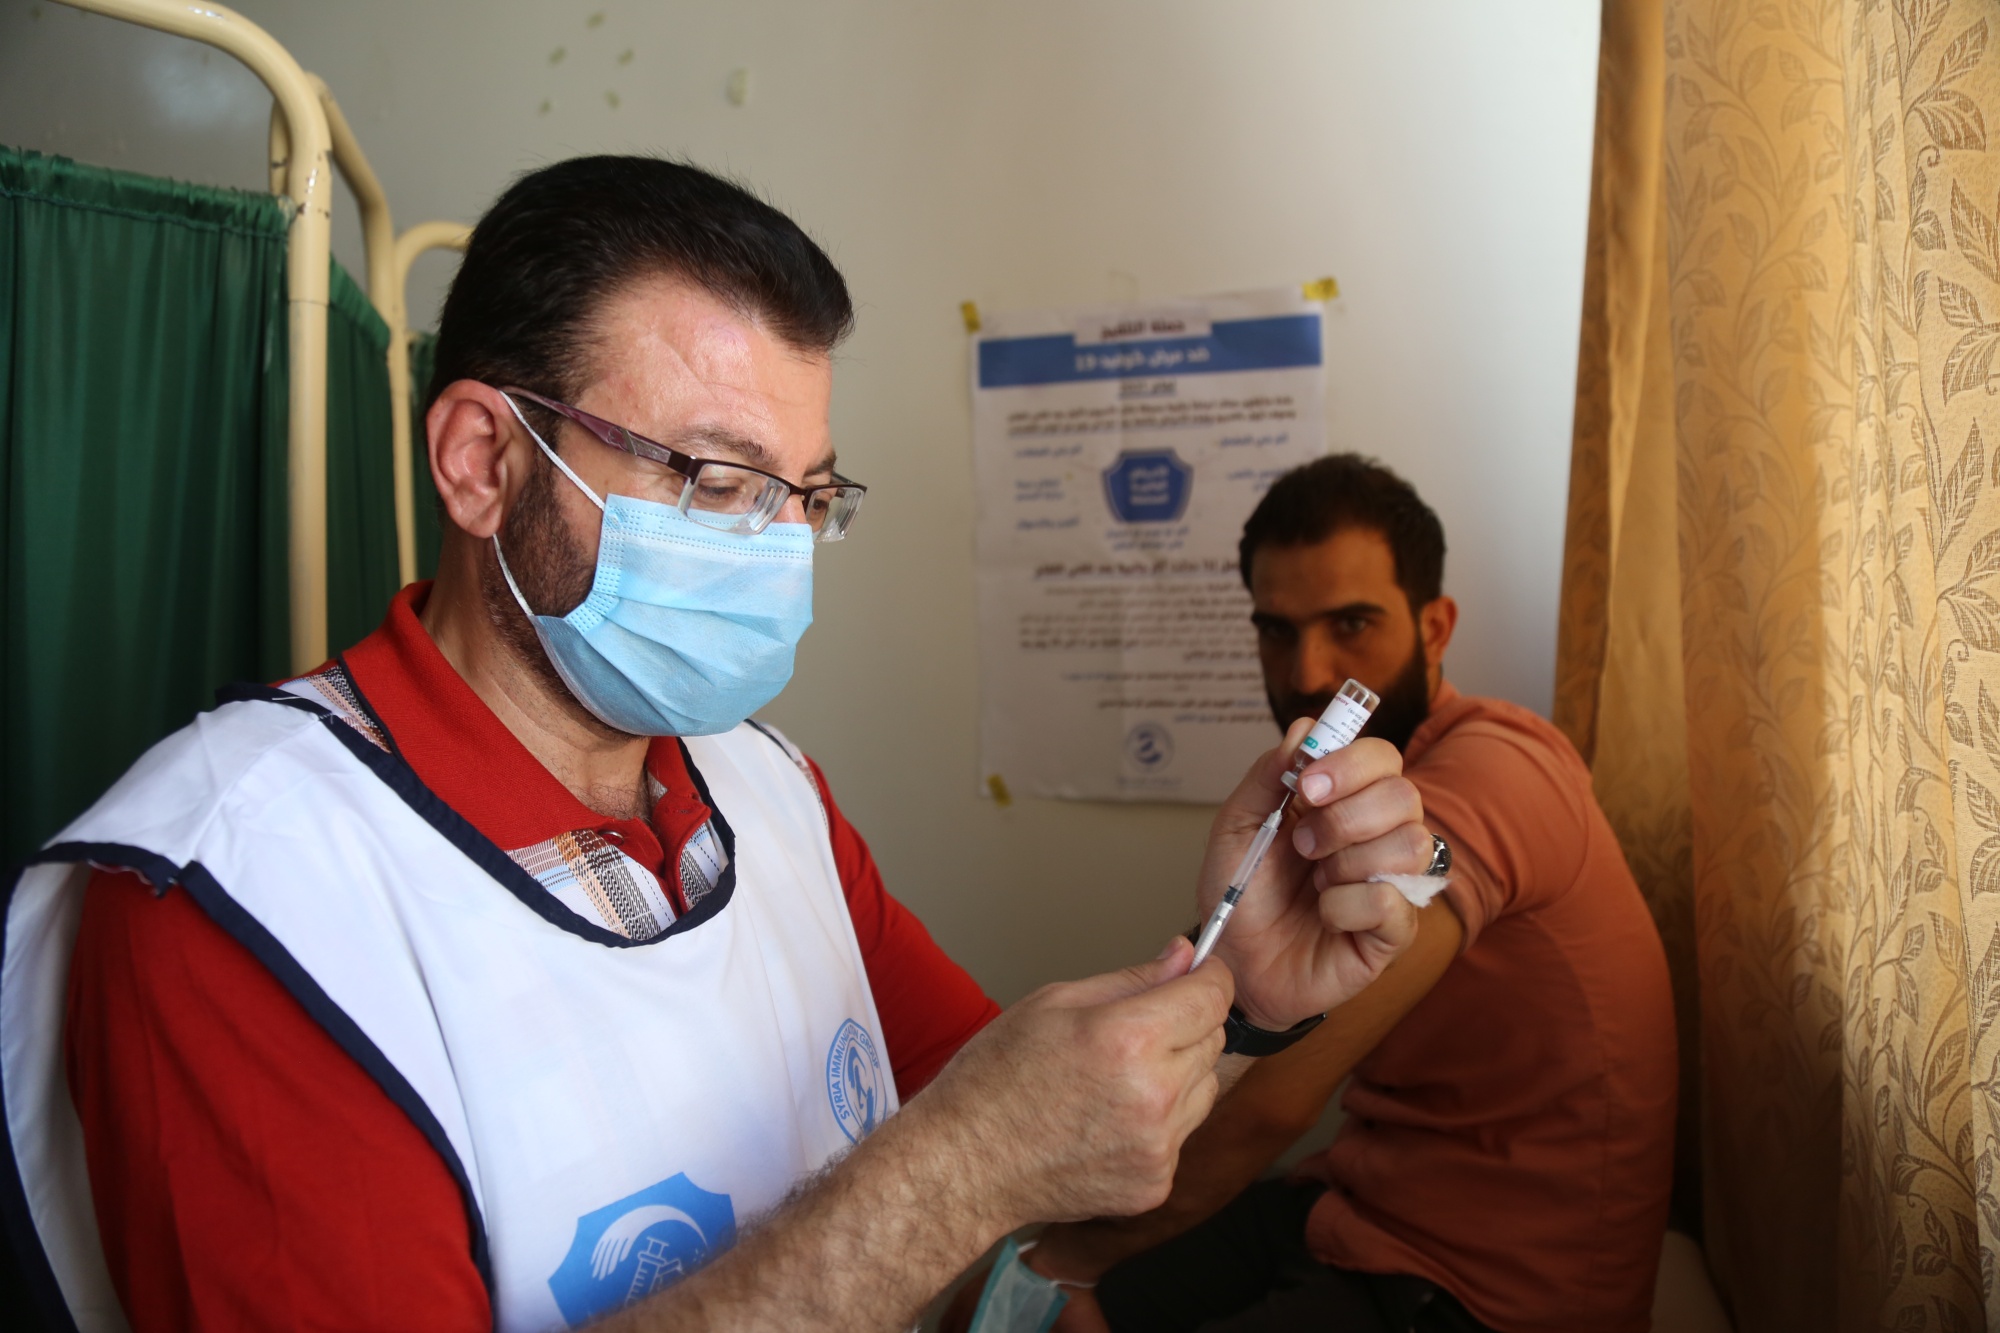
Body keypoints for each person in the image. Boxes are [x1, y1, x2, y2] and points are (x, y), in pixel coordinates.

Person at [0, 160, 1438, 1333]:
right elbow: (979, 1163)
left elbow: (1069, 1179)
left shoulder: (764, 788)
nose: (779, 545)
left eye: (808, 491)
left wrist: (1238, 984)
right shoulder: (230, 901)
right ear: (482, 462)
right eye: (715, 476)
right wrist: (957, 1173)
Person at [984, 455, 1678, 1333]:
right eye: (1277, 630)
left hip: (1483, 1291)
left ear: (1435, 627)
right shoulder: (1338, 797)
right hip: (1362, 1208)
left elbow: (1271, 1093)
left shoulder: (1494, 772)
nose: (1311, 671)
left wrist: (1053, 1263)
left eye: (1351, 623)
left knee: (1039, 1304)